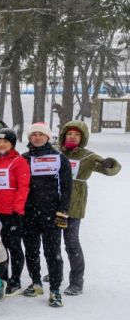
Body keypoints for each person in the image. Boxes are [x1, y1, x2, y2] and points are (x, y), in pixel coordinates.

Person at [57, 120, 121, 295]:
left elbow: (111, 169)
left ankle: (76, 280)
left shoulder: (88, 156)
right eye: (69, 133)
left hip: (74, 203)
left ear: (82, 138)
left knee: (71, 242)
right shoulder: (54, 151)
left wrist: (110, 164)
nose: (72, 137)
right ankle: (55, 272)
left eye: (77, 134)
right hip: (53, 202)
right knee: (52, 242)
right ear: (64, 135)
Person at [20, 122, 72, 307]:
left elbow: (67, 187)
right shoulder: (24, 158)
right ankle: (36, 283)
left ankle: (55, 290)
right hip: (29, 212)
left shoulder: (59, 158)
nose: (37, 137)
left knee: (53, 252)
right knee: (32, 250)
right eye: (33, 134)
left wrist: (63, 210)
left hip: (51, 212)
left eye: (41, 134)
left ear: (48, 137)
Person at [0, 128, 29, 294]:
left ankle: (15, 280)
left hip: (11, 212)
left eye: (5, 141)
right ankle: (1, 278)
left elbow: (23, 187)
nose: (1, 144)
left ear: (12, 144)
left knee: (14, 246)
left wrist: (18, 209)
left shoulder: (19, 161)